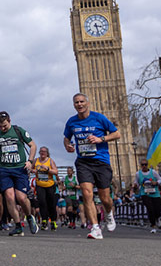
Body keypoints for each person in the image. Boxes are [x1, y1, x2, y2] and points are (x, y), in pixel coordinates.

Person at [63, 92, 120, 240]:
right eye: (76, 102)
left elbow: (117, 134)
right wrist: (68, 145)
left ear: (87, 103)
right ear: (74, 105)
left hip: (101, 161)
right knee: (87, 194)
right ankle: (95, 227)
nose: (79, 104)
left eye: (82, 102)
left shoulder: (99, 118)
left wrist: (100, 138)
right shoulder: (71, 122)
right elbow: (66, 138)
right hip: (83, 162)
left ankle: (108, 213)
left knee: (105, 198)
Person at [34, 146, 59, 230]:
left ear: (47, 153)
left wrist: (48, 169)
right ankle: (44, 220)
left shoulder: (50, 161)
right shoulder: (36, 160)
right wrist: (34, 170)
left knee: (51, 204)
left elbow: (56, 172)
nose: (42, 153)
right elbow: (31, 169)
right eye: (41, 151)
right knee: (42, 202)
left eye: (44, 151)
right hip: (40, 184)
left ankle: (53, 221)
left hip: (50, 185)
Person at [136, 159, 161, 233]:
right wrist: (135, 185)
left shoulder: (153, 172)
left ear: (147, 165)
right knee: (150, 208)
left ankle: (158, 217)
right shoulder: (138, 174)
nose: (144, 166)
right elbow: (137, 183)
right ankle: (153, 225)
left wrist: (156, 182)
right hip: (145, 193)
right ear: (140, 166)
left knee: (157, 209)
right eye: (142, 165)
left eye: (145, 164)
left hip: (155, 193)